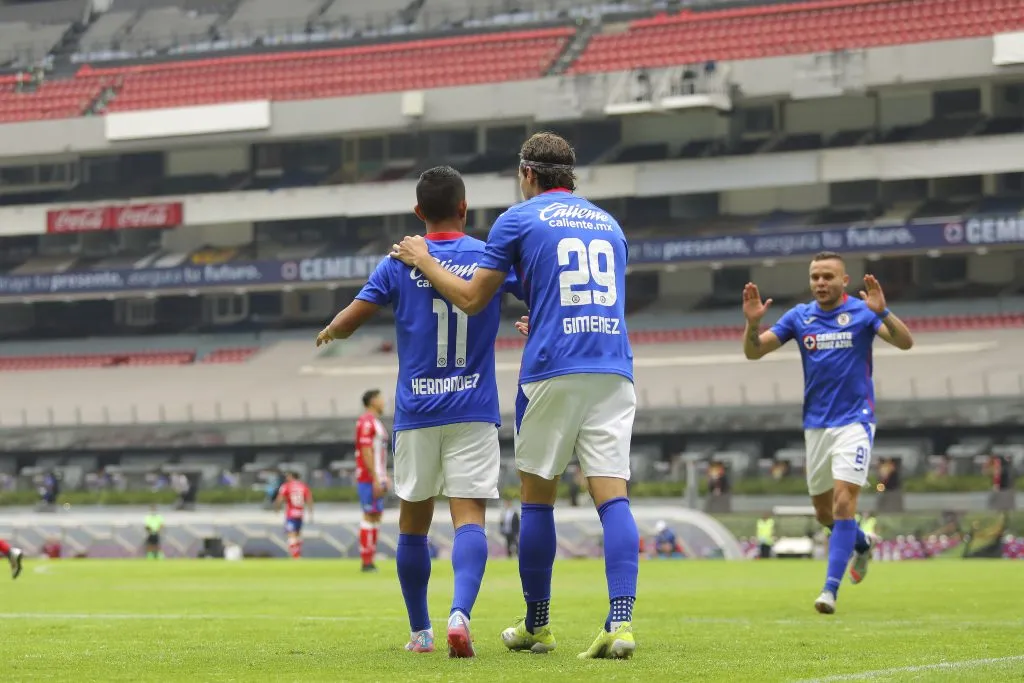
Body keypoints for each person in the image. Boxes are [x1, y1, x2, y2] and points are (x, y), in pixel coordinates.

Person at [390, 133, 639, 660]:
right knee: (612, 497)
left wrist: (420, 257)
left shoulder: (519, 219)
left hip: (552, 368)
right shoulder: (609, 225)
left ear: (527, 174)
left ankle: (538, 624)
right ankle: (620, 623)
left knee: (537, 498)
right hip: (614, 367)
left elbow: (471, 299)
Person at [316, 166, 522, 657]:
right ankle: (460, 614)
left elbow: (349, 321)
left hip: (418, 412)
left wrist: (330, 332)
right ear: (464, 208)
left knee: (414, 524)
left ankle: (420, 632)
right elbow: (533, 291)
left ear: (418, 213)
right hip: (474, 408)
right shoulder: (487, 257)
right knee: (469, 517)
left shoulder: (398, 263)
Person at [742, 251, 914, 614]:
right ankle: (863, 544)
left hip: (855, 420)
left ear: (843, 280)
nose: (820, 283)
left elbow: (904, 342)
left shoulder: (864, 313)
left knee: (842, 504)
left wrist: (882, 311)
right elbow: (754, 353)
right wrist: (752, 325)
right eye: (815, 277)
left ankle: (829, 590)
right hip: (816, 425)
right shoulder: (799, 317)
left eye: (827, 277)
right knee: (824, 515)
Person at [352, 389, 389, 573]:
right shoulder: (366, 422)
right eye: (381, 398)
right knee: (368, 515)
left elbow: (379, 454)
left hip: (377, 476)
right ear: (373, 401)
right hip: (368, 477)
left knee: (376, 515)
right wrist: (375, 477)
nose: (384, 401)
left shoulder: (376, 422)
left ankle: (371, 559)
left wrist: (384, 476)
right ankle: (366, 561)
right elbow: (366, 452)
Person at [275, 471, 313, 559]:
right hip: (300, 513)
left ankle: (295, 556)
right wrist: (310, 512)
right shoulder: (303, 486)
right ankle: (297, 554)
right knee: (298, 535)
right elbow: (309, 499)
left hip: (291, 514)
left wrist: (277, 509)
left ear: (291, 476)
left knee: (291, 535)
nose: (286, 478)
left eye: (287, 476)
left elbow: (280, 498)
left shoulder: (286, 486)